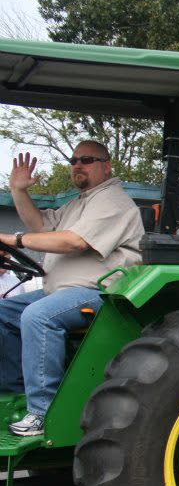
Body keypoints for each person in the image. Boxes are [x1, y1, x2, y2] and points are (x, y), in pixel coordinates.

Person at [1, 145, 144, 436]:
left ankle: (42, 413)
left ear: (107, 165)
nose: (78, 165)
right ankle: (16, 395)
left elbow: (74, 242)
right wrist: (19, 191)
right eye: (74, 160)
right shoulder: (80, 203)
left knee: (38, 316)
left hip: (97, 292)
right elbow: (41, 226)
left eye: (87, 160)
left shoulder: (113, 201)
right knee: (4, 313)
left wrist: (14, 240)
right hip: (58, 292)